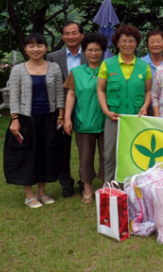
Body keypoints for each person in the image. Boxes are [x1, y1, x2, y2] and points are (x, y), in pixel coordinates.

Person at [5, 33, 65, 208]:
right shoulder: (18, 69)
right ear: (25, 49)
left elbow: (60, 94)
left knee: (46, 154)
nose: (35, 49)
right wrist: (15, 119)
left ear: (46, 48)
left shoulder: (53, 68)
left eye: (39, 45)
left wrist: (60, 116)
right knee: (27, 155)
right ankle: (29, 195)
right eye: (31, 46)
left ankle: (42, 192)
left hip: (49, 117)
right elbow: (13, 97)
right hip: (26, 119)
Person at [97, 25, 152, 183]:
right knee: (109, 154)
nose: (127, 44)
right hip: (114, 116)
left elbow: (148, 91)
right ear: (117, 43)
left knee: (134, 151)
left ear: (136, 43)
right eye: (123, 41)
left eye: (131, 41)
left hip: (136, 117)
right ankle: (109, 186)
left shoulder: (144, 66)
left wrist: (144, 106)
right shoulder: (107, 64)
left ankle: (133, 185)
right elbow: (100, 90)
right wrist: (106, 111)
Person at [63, 32, 107, 203]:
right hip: (83, 120)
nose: (93, 53)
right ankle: (87, 187)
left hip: (106, 120)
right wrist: (67, 118)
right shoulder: (76, 72)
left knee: (107, 155)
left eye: (97, 50)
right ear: (84, 51)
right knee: (85, 156)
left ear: (103, 51)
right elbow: (71, 95)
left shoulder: (109, 70)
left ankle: (105, 185)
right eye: (90, 50)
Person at [47, 21, 86, 197]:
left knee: (86, 147)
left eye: (74, 33)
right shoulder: (53, 57)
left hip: (87, 107)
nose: (71, 36)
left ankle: (85, 180)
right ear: (63, 36)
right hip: (61, 108)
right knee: (62, 148)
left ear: (81, 35)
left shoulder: (91, 54)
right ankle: (66, 182)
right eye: (67, 33)